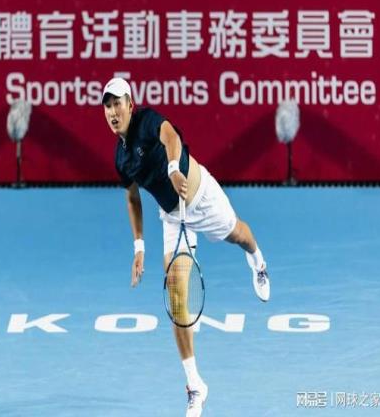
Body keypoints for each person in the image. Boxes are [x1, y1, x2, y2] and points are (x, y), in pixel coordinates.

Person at [102, 77, 270, 417]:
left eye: (118, 103)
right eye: (107, 106)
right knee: (177, 297)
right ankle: (196, 386)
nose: (113, 112)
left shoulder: (146, 121)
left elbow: (171, 137)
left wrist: (173, 169)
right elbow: (132, 197)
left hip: (201, 198)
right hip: (172, 216)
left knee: (239, 235)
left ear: (130, 105)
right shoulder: (121, 158)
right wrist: (139, 248)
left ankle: (258, 262)